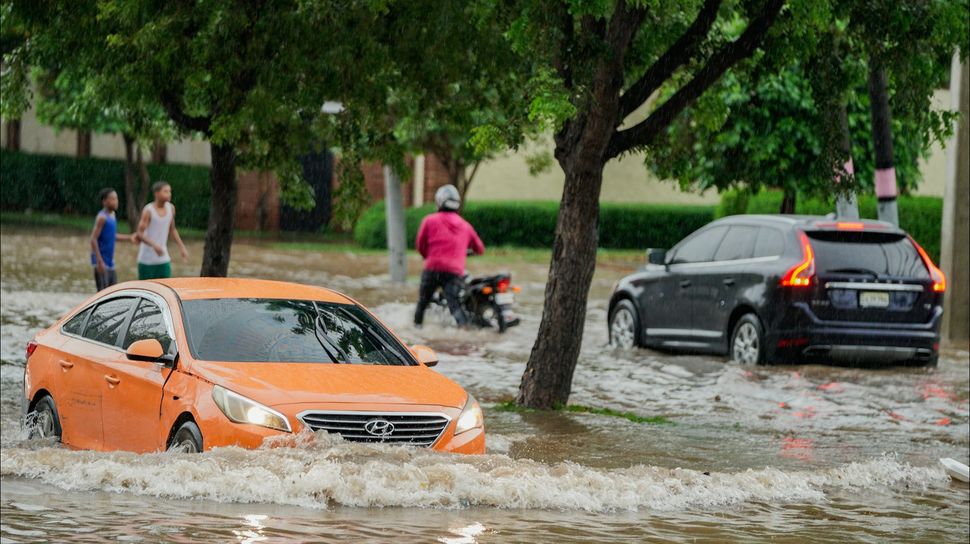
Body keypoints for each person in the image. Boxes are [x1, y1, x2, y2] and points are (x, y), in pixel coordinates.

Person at [414, 185, 484, 327]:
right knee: (455, 305)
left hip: (432, 268)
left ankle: (416, 328)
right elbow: (480, 249)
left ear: (439, 201)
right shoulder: (465, 225)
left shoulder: (429, 220)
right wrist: (465, 252)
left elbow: (420, 245)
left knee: (422, 302)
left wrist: (428, 256)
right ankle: (464, 329)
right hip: (454, 271)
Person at [136, 181, 188, 280]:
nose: (169, 194)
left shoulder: (171, 208)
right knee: (147, 287)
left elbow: (172, 229)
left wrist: (182, 247)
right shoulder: (148, 210)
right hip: (147, 260)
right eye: (165, 191)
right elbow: (139, 233)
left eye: (170, 191)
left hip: (163, 258)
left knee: (165, 285)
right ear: (156, 193)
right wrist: (154, 245)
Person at [90, 188, 137, 291]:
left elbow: (112, 236)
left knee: (113, 291)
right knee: (103, 293)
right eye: (112, 199)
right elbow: (93, 239)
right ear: (104, 201)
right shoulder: (102, 217)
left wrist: (129, 238)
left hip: (110, 262)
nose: (116, 201)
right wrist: (99, 261)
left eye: (116, 199)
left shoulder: (113, 215)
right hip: (101, 262)